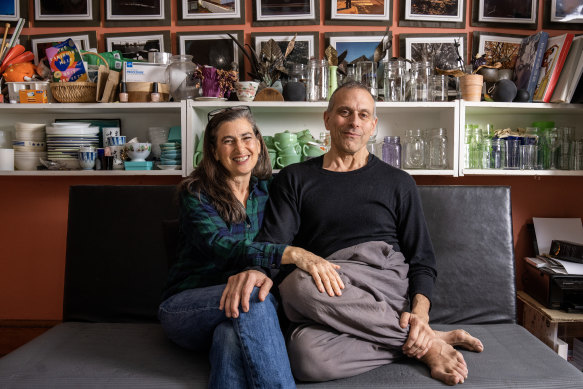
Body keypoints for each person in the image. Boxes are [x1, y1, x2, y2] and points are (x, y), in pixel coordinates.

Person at [250, 82, 484, 385]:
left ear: (373, 125)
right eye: (344, 112)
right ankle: (427, 343)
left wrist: (420, 315)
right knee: (303, 354)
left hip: (383, 282)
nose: (354, 122)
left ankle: (419, 339)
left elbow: (422, 259)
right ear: (327, 119)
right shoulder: (295, 178)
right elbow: (273, 245)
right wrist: (257, 269)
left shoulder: (399, 182)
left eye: (363, 115)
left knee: (299, 285)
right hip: (329, 288)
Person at [158, 105, 342, 388]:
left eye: (246, 137)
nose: (239, 148)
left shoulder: (272, 191)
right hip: (188, 307)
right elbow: (221, 246)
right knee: (254, 296)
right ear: (215, 150)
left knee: (229, 337)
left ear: (258, 142)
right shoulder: (195, 193)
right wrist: (288, 253)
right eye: (228, 140)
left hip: (239, 314)